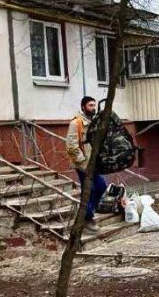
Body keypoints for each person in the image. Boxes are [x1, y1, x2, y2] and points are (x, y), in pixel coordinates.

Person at [66, 96, 108, 233]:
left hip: (94, 163)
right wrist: (83, 162)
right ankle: (87, 219)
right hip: (83, 164)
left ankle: (87, 214)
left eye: (94, 105)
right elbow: (71, 145)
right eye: (90, 105)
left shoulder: (94, 121)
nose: (93, 108)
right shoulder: (76, 123)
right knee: (89, 190)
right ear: (83, 106)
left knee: (101, 187)